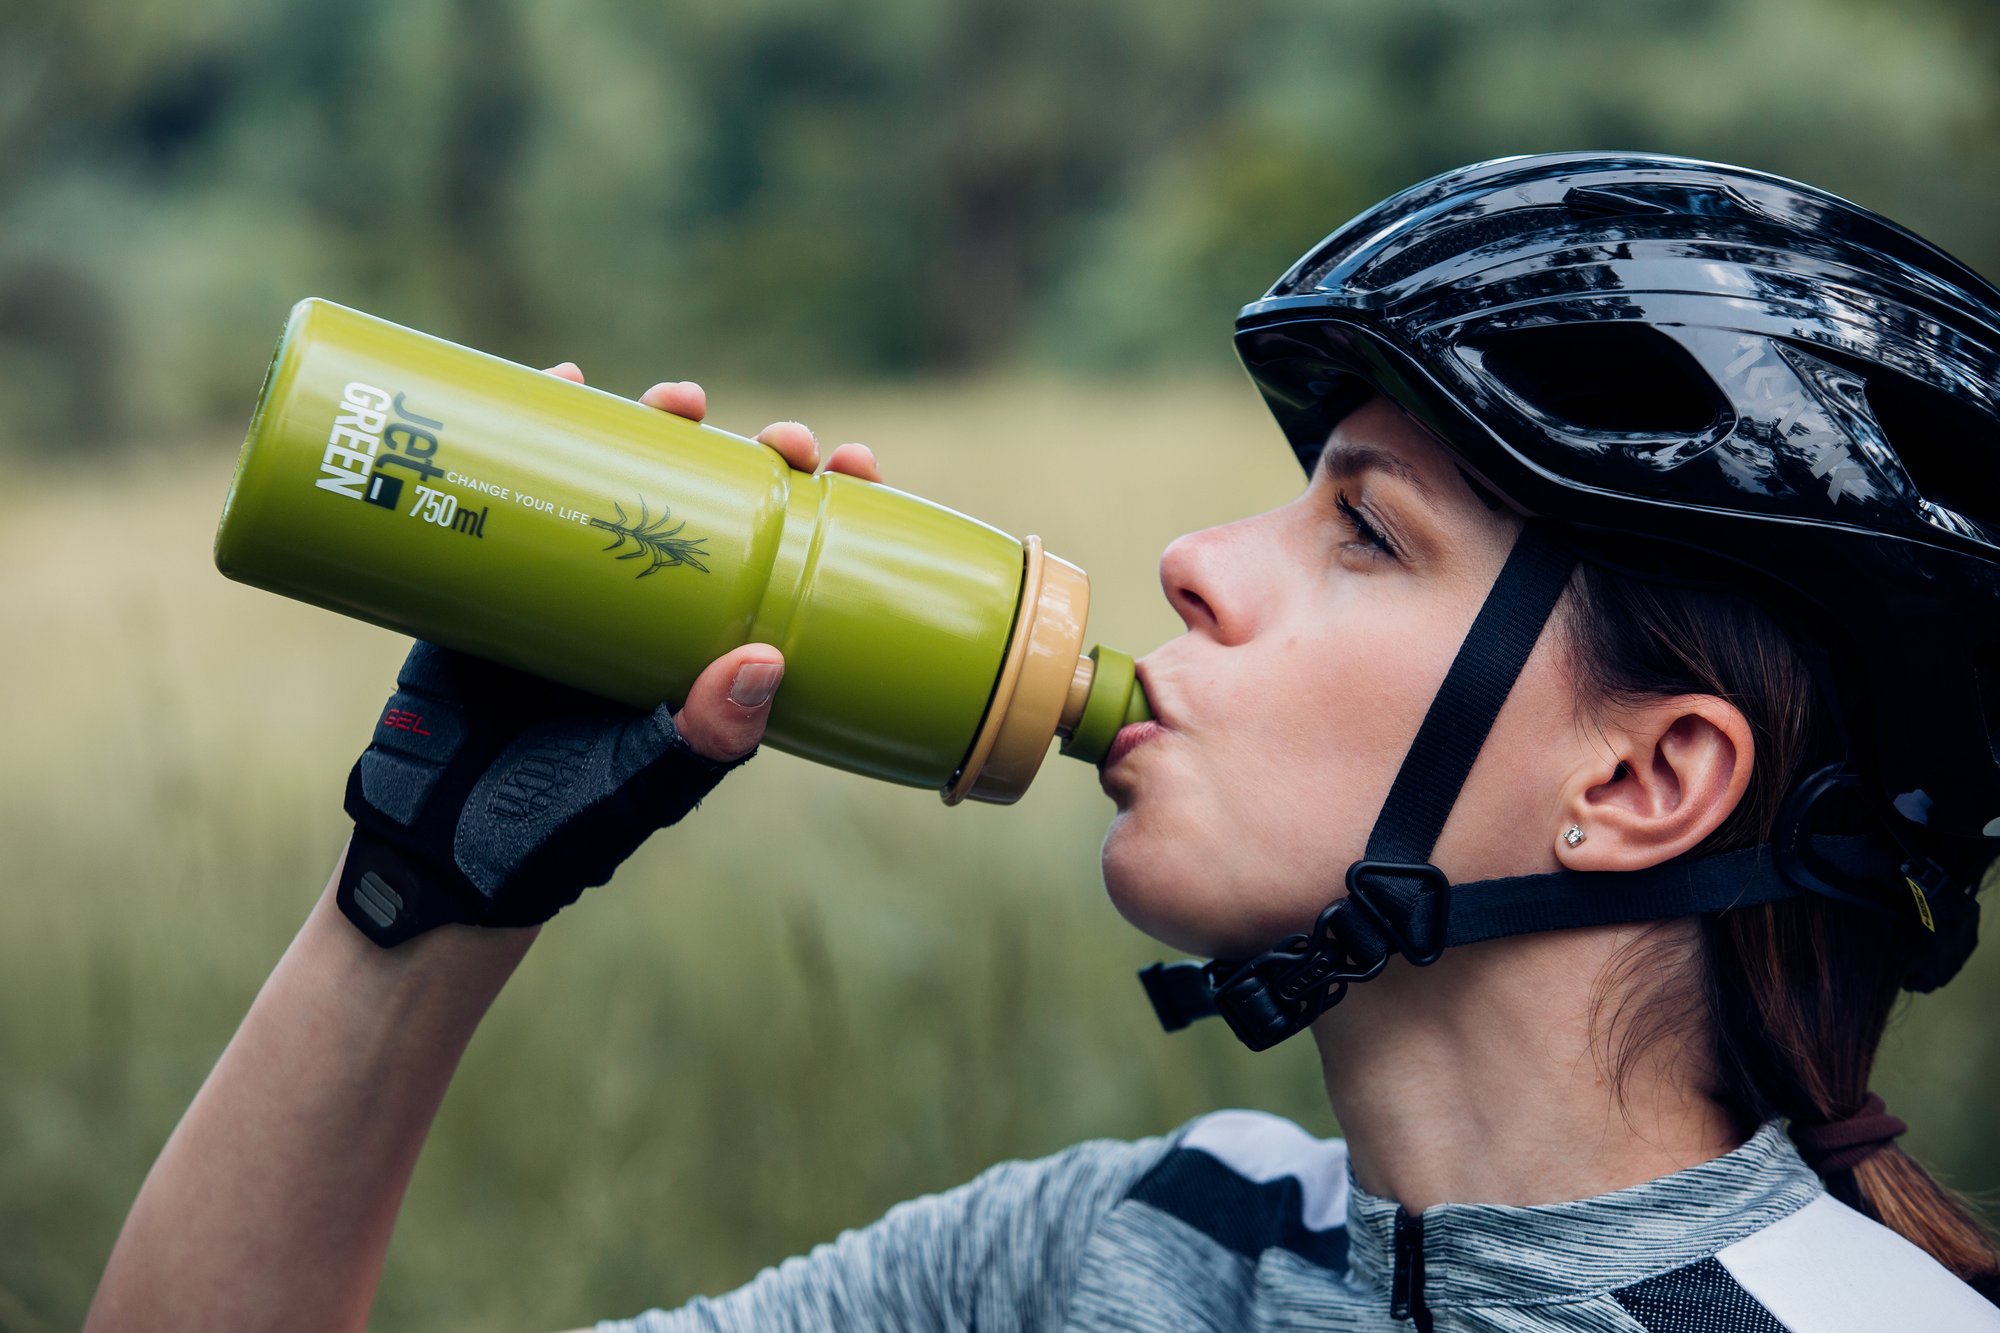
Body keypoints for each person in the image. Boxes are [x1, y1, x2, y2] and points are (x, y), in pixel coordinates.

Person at [88, 153, 2000, 1331]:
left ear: (1641, 780)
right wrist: (414, 898)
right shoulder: (1128, 1251)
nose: (1190, 564)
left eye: (1365, 530)